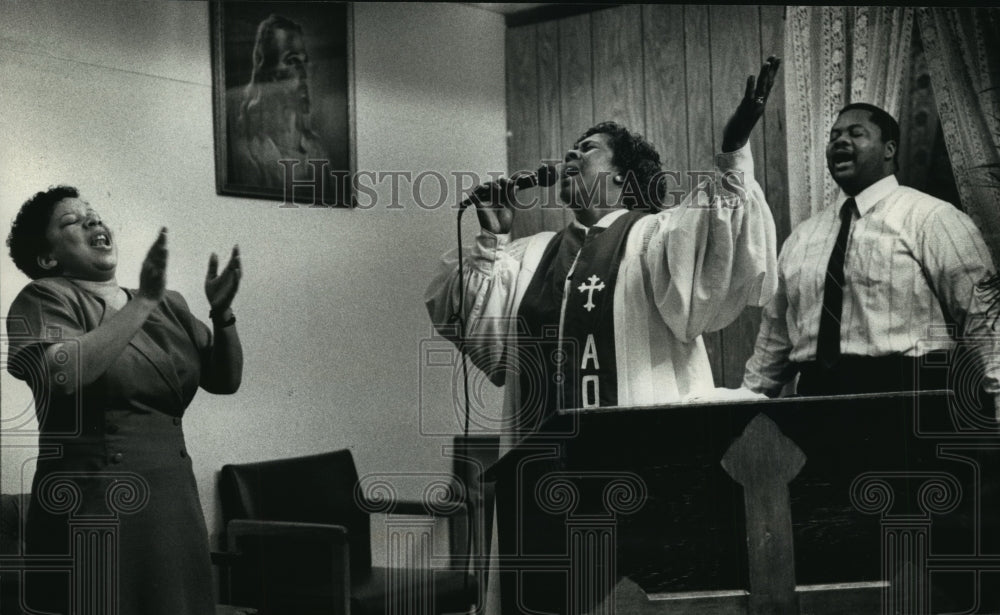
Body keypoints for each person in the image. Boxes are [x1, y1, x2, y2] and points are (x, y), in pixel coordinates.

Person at [427, 58, 781, 615]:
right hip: (542, 475)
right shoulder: (533, 254)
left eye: (587, 148)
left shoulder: (658, 236)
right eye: (569, 149)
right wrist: (493, 241)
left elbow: (727, 245)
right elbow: (463, 313)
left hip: (638, 473)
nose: (570, 156)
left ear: (622, 177)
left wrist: (734, 149)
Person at [5, 186, 243, 615]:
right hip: (95, 508)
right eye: (72, 221)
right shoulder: (43, 298)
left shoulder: (169, 305)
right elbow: (64, 374)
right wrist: (143, 303)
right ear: (47, 258)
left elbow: (225, 381)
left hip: (172, 506)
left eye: (93, 213)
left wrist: (222, 314)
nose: (93, 221)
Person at [742, 103, 1000, 417]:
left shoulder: (933, 218)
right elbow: (775, 340)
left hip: (907, 404)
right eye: (834, 135)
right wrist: (742, 410)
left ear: (889, 149)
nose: (839, 141)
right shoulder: (801, 238)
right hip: (816, 406)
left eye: (855, 133)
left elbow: (982, 318)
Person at [230, 13, 330, 190]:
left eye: (304, 62)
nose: (304, 73)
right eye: (292, 61)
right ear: (269, 73)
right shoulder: (249, 153)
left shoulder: (316, 149)